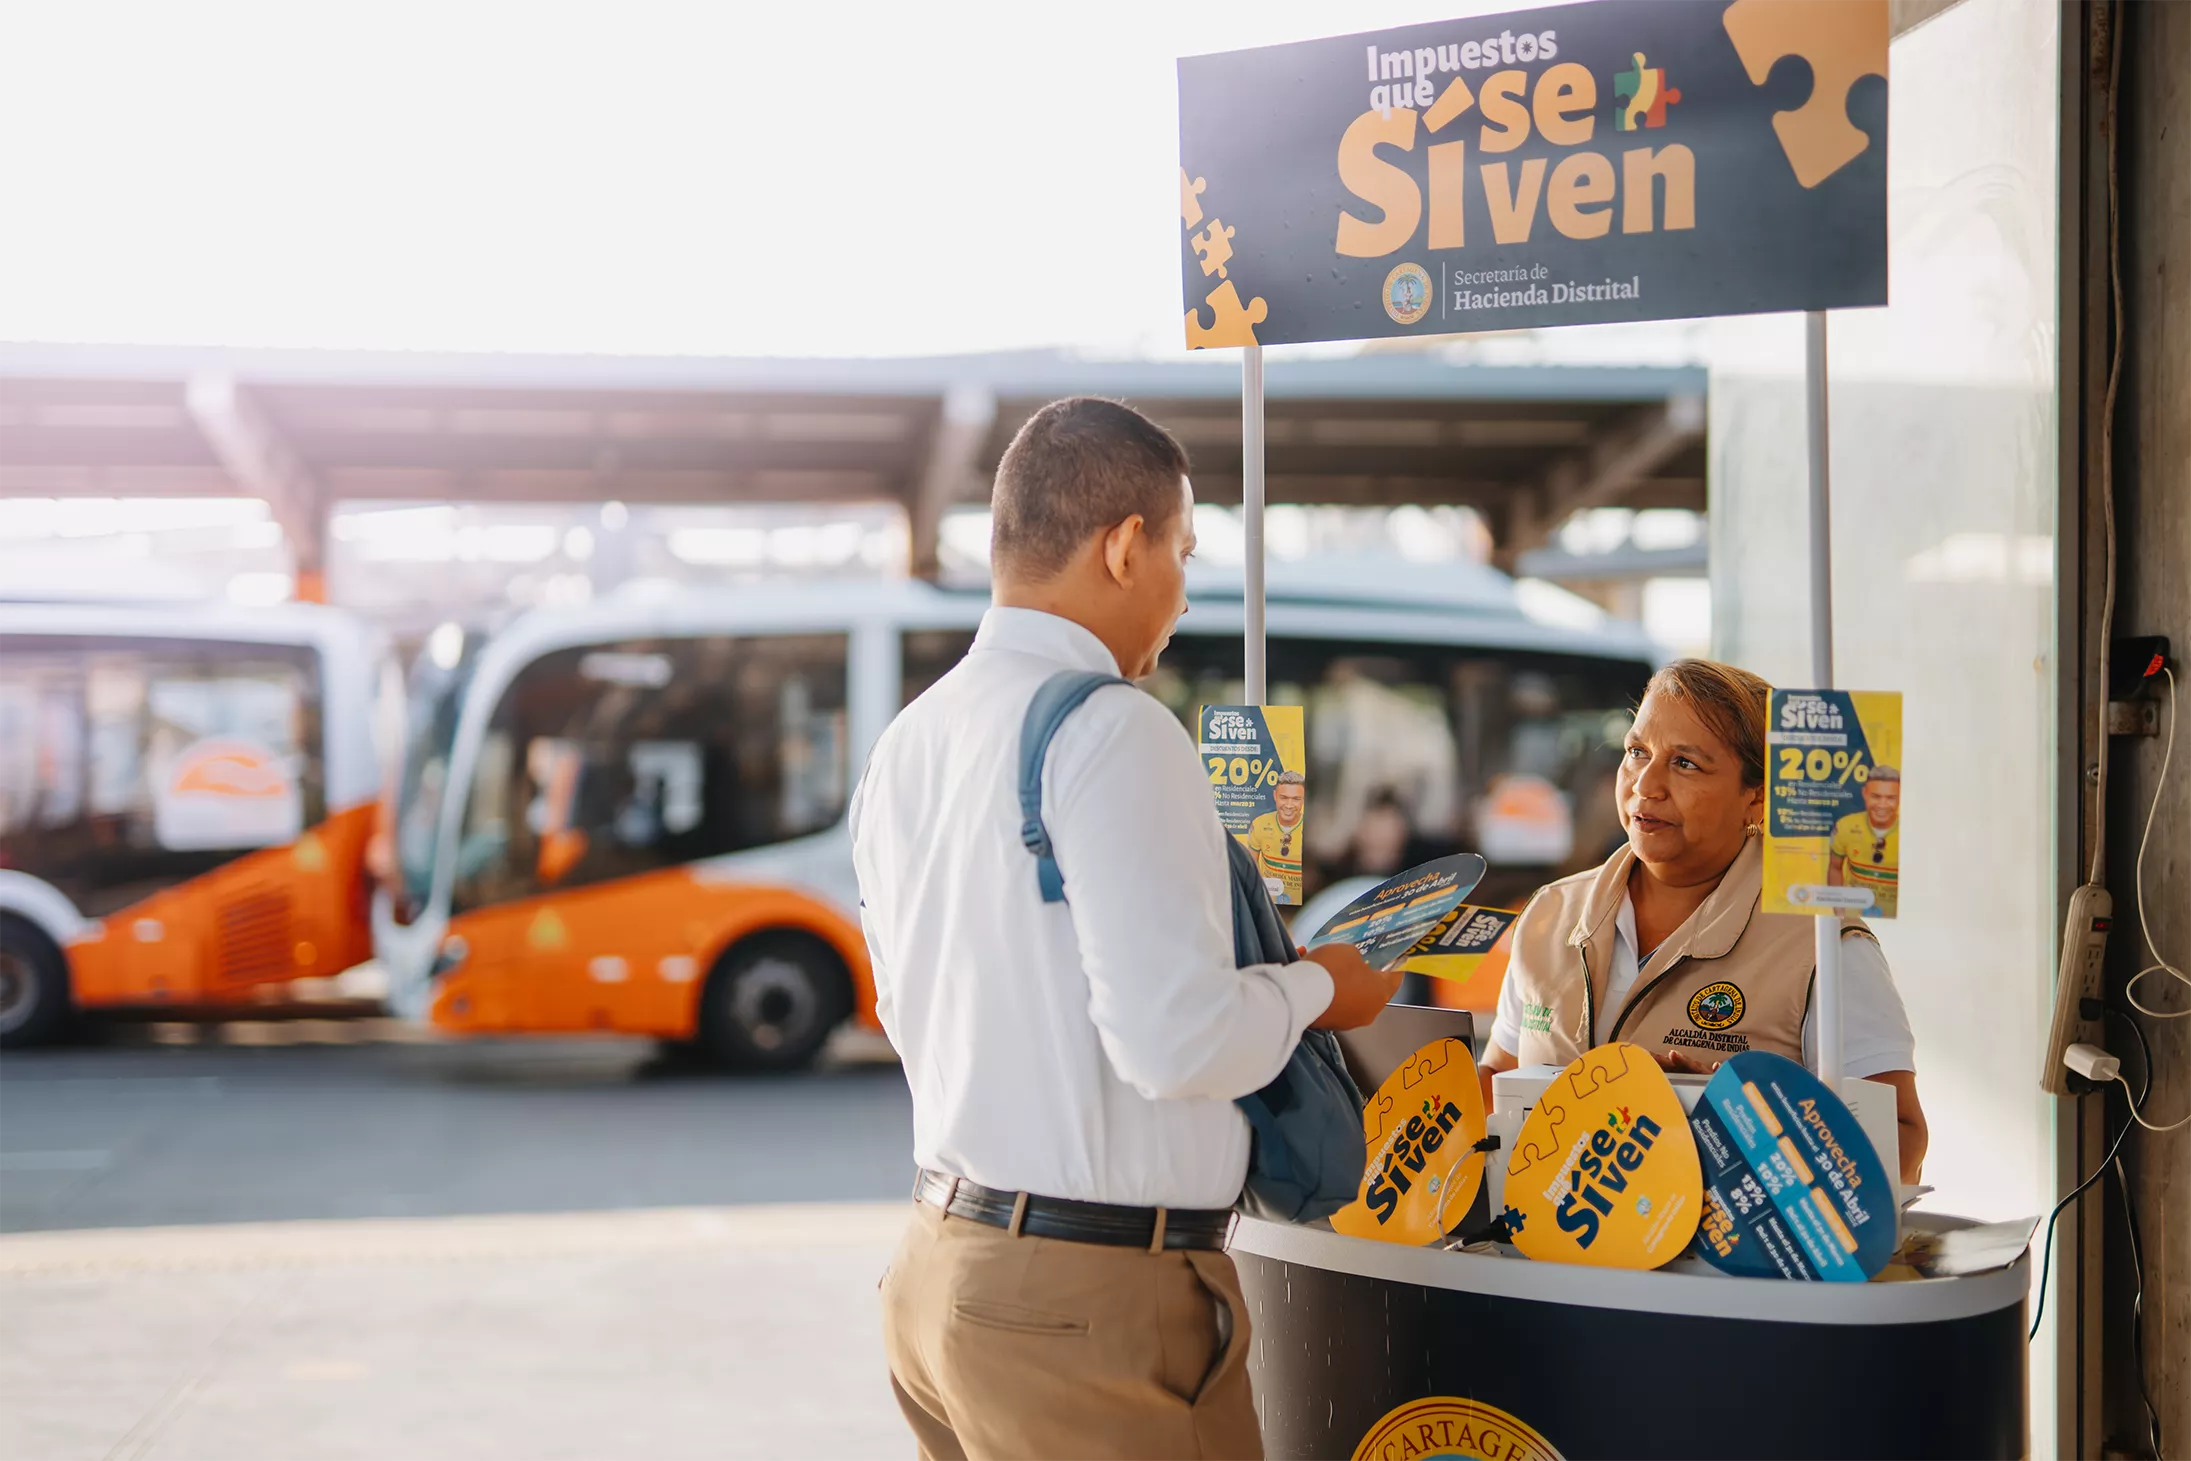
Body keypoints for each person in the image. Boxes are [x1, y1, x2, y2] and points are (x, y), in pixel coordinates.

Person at [850, 397, 1401, 1461]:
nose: (1184, 595)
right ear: (1121, 547)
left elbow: (906, 1006)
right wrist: (1324, 987)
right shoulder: (1113, 728)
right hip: (1088, 1303)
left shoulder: (911, 741)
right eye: (1182, 555)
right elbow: (1177, 1042)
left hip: (941, 1270)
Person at [1476, 660, 1929, 1183]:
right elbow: (1499, 1086)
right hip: (1537, 1261)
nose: (1646, 784)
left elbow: (1903, 1144)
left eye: (1686, 764)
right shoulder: (1549, 916)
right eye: (1636, 752)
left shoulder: (1823, 942)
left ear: (1757, 796)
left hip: (1728, 1264)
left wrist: (1749, 1119)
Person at [1829, 764, 1901, 918]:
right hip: (1854, 920)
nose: (1882, 805)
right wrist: (1839, 911)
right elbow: (1835, 867)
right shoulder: (1845, 826)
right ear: (1865, 794)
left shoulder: (1911, 831)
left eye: (1890, 798)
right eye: (1876, 796)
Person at [1243, 769, 1305, 900]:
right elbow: (1251, 868)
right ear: (1275, 796)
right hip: (1268, 904)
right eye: (1284, 798)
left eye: (1295, 799)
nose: (1289, 805)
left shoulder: (1312, 828)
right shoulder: (1259, 824)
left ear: (1303, 800)